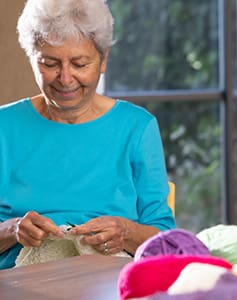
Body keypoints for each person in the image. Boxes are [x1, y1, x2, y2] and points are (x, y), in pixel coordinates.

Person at [0, 0, 175, 269]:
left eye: (80, 64)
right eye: (50, 63)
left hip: (108, 280)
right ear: (32, 59)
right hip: (19, 281)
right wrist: (13, 230)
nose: (66, 78)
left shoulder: (137, 127)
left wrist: (125, 233)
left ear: (103, 60)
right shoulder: (4, 125)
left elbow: (167, 243)